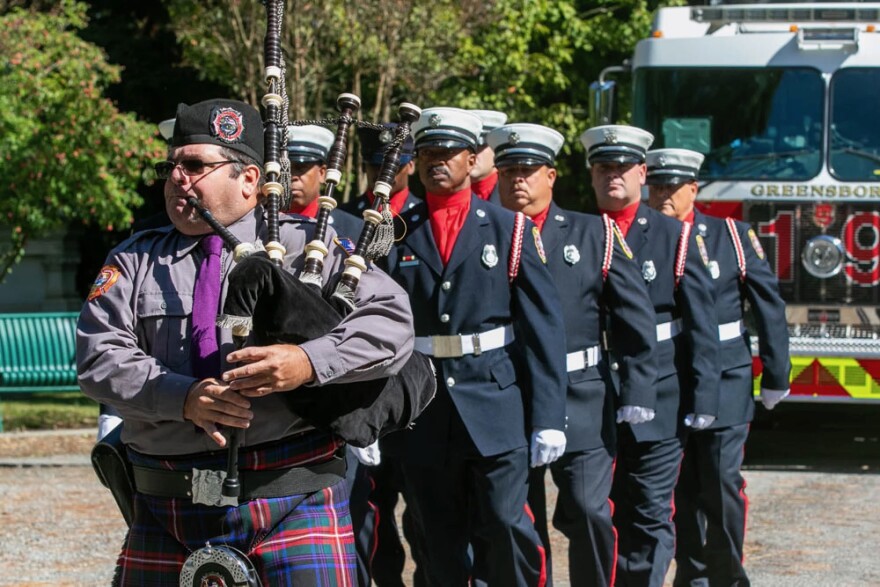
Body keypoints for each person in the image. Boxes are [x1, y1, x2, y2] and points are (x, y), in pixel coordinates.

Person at [76, 98, 415, 585]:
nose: (176, 178)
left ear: (250, 179)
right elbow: (98, 358)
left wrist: (306, 361)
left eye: (193, 165)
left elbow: (392, 323)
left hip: (293, 497)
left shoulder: (305, 248)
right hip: (165, 503)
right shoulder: (134, 261)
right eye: (170, 166)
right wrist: (184, 397)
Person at [379, 107, 568, 586]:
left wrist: (548, 417)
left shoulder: (509, 228)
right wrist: (372, 415)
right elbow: (378, 328)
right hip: (423, 408)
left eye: (447, 153)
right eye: (426, 154)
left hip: (495, 403)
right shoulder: (396, 229)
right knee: (437, 541)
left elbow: (543, 328)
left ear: (472, 159)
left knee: (505, 527)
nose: (436, 162)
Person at [488, 122, 658, 587]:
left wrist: (637, 387)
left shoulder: (593, 233)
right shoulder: (485, 235)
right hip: (511, 393)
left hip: (581, 395)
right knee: (516, 520)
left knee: (587, 510)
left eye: (528, 170)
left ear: (552, 176)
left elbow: (635, 317)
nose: (517, 180)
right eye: (508, 171)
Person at [581, 125, 720, 587]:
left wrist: (705, 396)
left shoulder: (672, 235)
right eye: (603, 167)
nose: (613, 176)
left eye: (623, 167)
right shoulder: (577, 230)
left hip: (662, 394)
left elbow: (701, 323)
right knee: (598, 510)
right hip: (594, 394)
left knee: (648, 511)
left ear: (643, 172)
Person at [645, 148, 791, 587]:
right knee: (683, 485)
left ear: (694, 189)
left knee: (721, 481)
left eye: (673, 187)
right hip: (671, 376)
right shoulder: (642, 236)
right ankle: (694, 576)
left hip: (726, 376)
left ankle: (728, 576)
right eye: (656, 187)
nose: (664, 196)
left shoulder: (729, 235)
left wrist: (776, 373)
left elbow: (768, 304)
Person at [285, 123, 363, 238]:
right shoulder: (260, 222)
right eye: (285, 169)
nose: (292, 176)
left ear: (322, 173)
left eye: (300, 168)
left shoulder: (351, 229)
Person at [342, 122, 420, 219]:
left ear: (411, 166)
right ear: (363, 167)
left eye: (393, 166)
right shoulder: (342, 215)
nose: (383, 172)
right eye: (376, 165)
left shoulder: (426, 217)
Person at [468, 109, 508, 204]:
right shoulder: (446, 193)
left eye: (480, 146)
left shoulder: (513, 194)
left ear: (496, 150)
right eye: (468, 147)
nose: (472, 154)